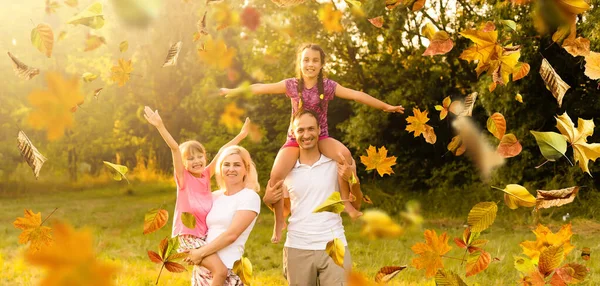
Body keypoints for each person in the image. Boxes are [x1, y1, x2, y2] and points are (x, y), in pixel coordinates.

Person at [220, 43, 403, 244]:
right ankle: (279, 221)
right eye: (306, 60)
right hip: (294, 138)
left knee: (344, 156)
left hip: (321, 136)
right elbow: (260, 87)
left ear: (322, 63)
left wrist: (385, 106)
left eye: (315, 60)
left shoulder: (328, 86)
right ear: (300, 62)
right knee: (275, 175)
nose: (310, 64)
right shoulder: (291, 85)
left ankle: (347, 205)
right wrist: (234, 91)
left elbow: (356, 95)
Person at [144, 106, 250, 286]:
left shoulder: (205, 176)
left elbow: (222, 151)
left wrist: (241, 135)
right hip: (186, 238)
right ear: (184, 164)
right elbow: (175, 148)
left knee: (224, 277)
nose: (196, 161)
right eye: (191, 158)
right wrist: (160, 126)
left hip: (202, 240)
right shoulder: (183, 180)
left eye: (199, 156)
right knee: (220, 271)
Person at [263, 109, 363, 285]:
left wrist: (353, 180)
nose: (306, 134)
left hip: (334, 245)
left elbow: (357, 203)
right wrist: (267, 201)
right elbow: (285, 209)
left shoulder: (335, 162)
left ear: (319, 130)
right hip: (298, 246)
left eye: (311, 129)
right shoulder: (287, 170)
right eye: (300, 130)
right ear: (293, 133)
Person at [184, 145, 261, 285]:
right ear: (220, 168)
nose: (231, 169)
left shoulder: (249, 197)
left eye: (237, 165)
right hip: (204, 267)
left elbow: (231, 235)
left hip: (227, 269)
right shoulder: (214, 196)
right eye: (226, 164)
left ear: (246, 169)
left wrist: (200, 253)